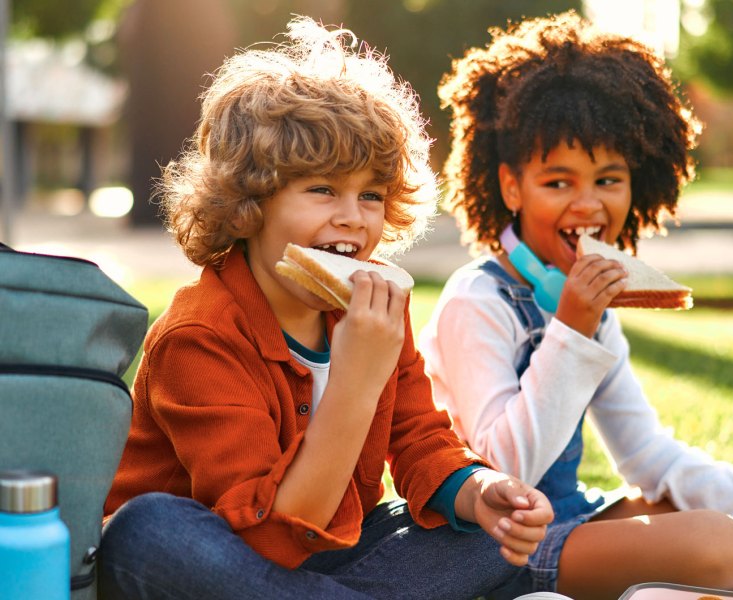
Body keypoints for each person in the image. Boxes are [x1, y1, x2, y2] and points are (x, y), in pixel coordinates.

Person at [99, 16, 555, 600]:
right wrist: (355, 381)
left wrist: (480, 491)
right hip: (217, 560)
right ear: (249, 202)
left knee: (483, 539)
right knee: (146, 532)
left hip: (327, 559)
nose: (353, 216)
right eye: (322, 189)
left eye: (371, 195)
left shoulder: (370, 307)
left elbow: (421, 439)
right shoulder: (199, 335)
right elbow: (268, 541)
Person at [419, 11, 733, 600]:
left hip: (577, 519)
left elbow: (646, 454)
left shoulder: (591, 304)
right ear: (511, 187)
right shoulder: (478, 299)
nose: (588, 205)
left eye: (608, 179)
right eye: (558, 182)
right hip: (498, 549)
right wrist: (571, 326)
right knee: (721, 544)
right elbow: (504, 468)